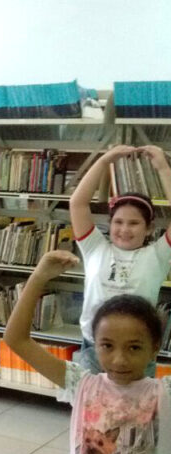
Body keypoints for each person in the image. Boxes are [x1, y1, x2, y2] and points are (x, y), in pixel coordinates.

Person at [4, 250, 171, 454]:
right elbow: (16, 339)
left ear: (154, 349)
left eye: (134, 347)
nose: (120, 359)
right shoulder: (82, 384)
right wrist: (39, 276)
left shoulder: (163, 395)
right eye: (107, 346)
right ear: (94, 345)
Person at [71, 145, 171, 376]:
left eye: (134, 223)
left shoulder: (156, 255)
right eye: (118, 222)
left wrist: (163, 167)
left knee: (136, 411)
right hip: (94, 349)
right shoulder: (95, 248)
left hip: (138, 350)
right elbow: (78, 203)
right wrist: (104, 160)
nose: (124, 229)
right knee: (91, 411)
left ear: (149, 229)